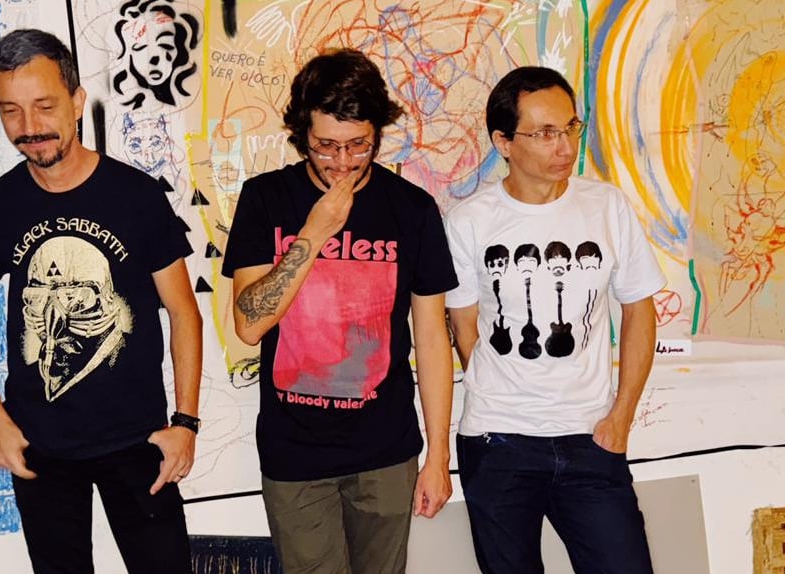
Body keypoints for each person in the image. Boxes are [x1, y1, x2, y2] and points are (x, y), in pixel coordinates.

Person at [0, 29, 202, 574]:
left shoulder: (137, 197)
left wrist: (186, 422)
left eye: (44, 106)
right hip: (42, 450)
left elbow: (183, 311)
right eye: (11, 110)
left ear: (78, 102)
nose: (30, 127)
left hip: (140, 442)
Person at [221, 48, 457, 574]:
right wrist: (315, 232)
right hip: (294, 454)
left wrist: (438, 455)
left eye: (358, 146)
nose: (343, 162)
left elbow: (433, 340)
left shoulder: (412, 210)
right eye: (326, 146)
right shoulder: (266, 199)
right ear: (301, 132)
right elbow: (249, 322)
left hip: (387, 451)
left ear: (378, 133)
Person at [445, 66, 664, 574]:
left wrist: (622, 414)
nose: (564, 145)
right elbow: (463, 326)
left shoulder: (606, 207)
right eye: (544, 133)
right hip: (497, 441)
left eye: (570, 127)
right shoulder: (469, 221)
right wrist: (506, 389)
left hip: (591, 437)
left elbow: (638, 309)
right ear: (503, 141)